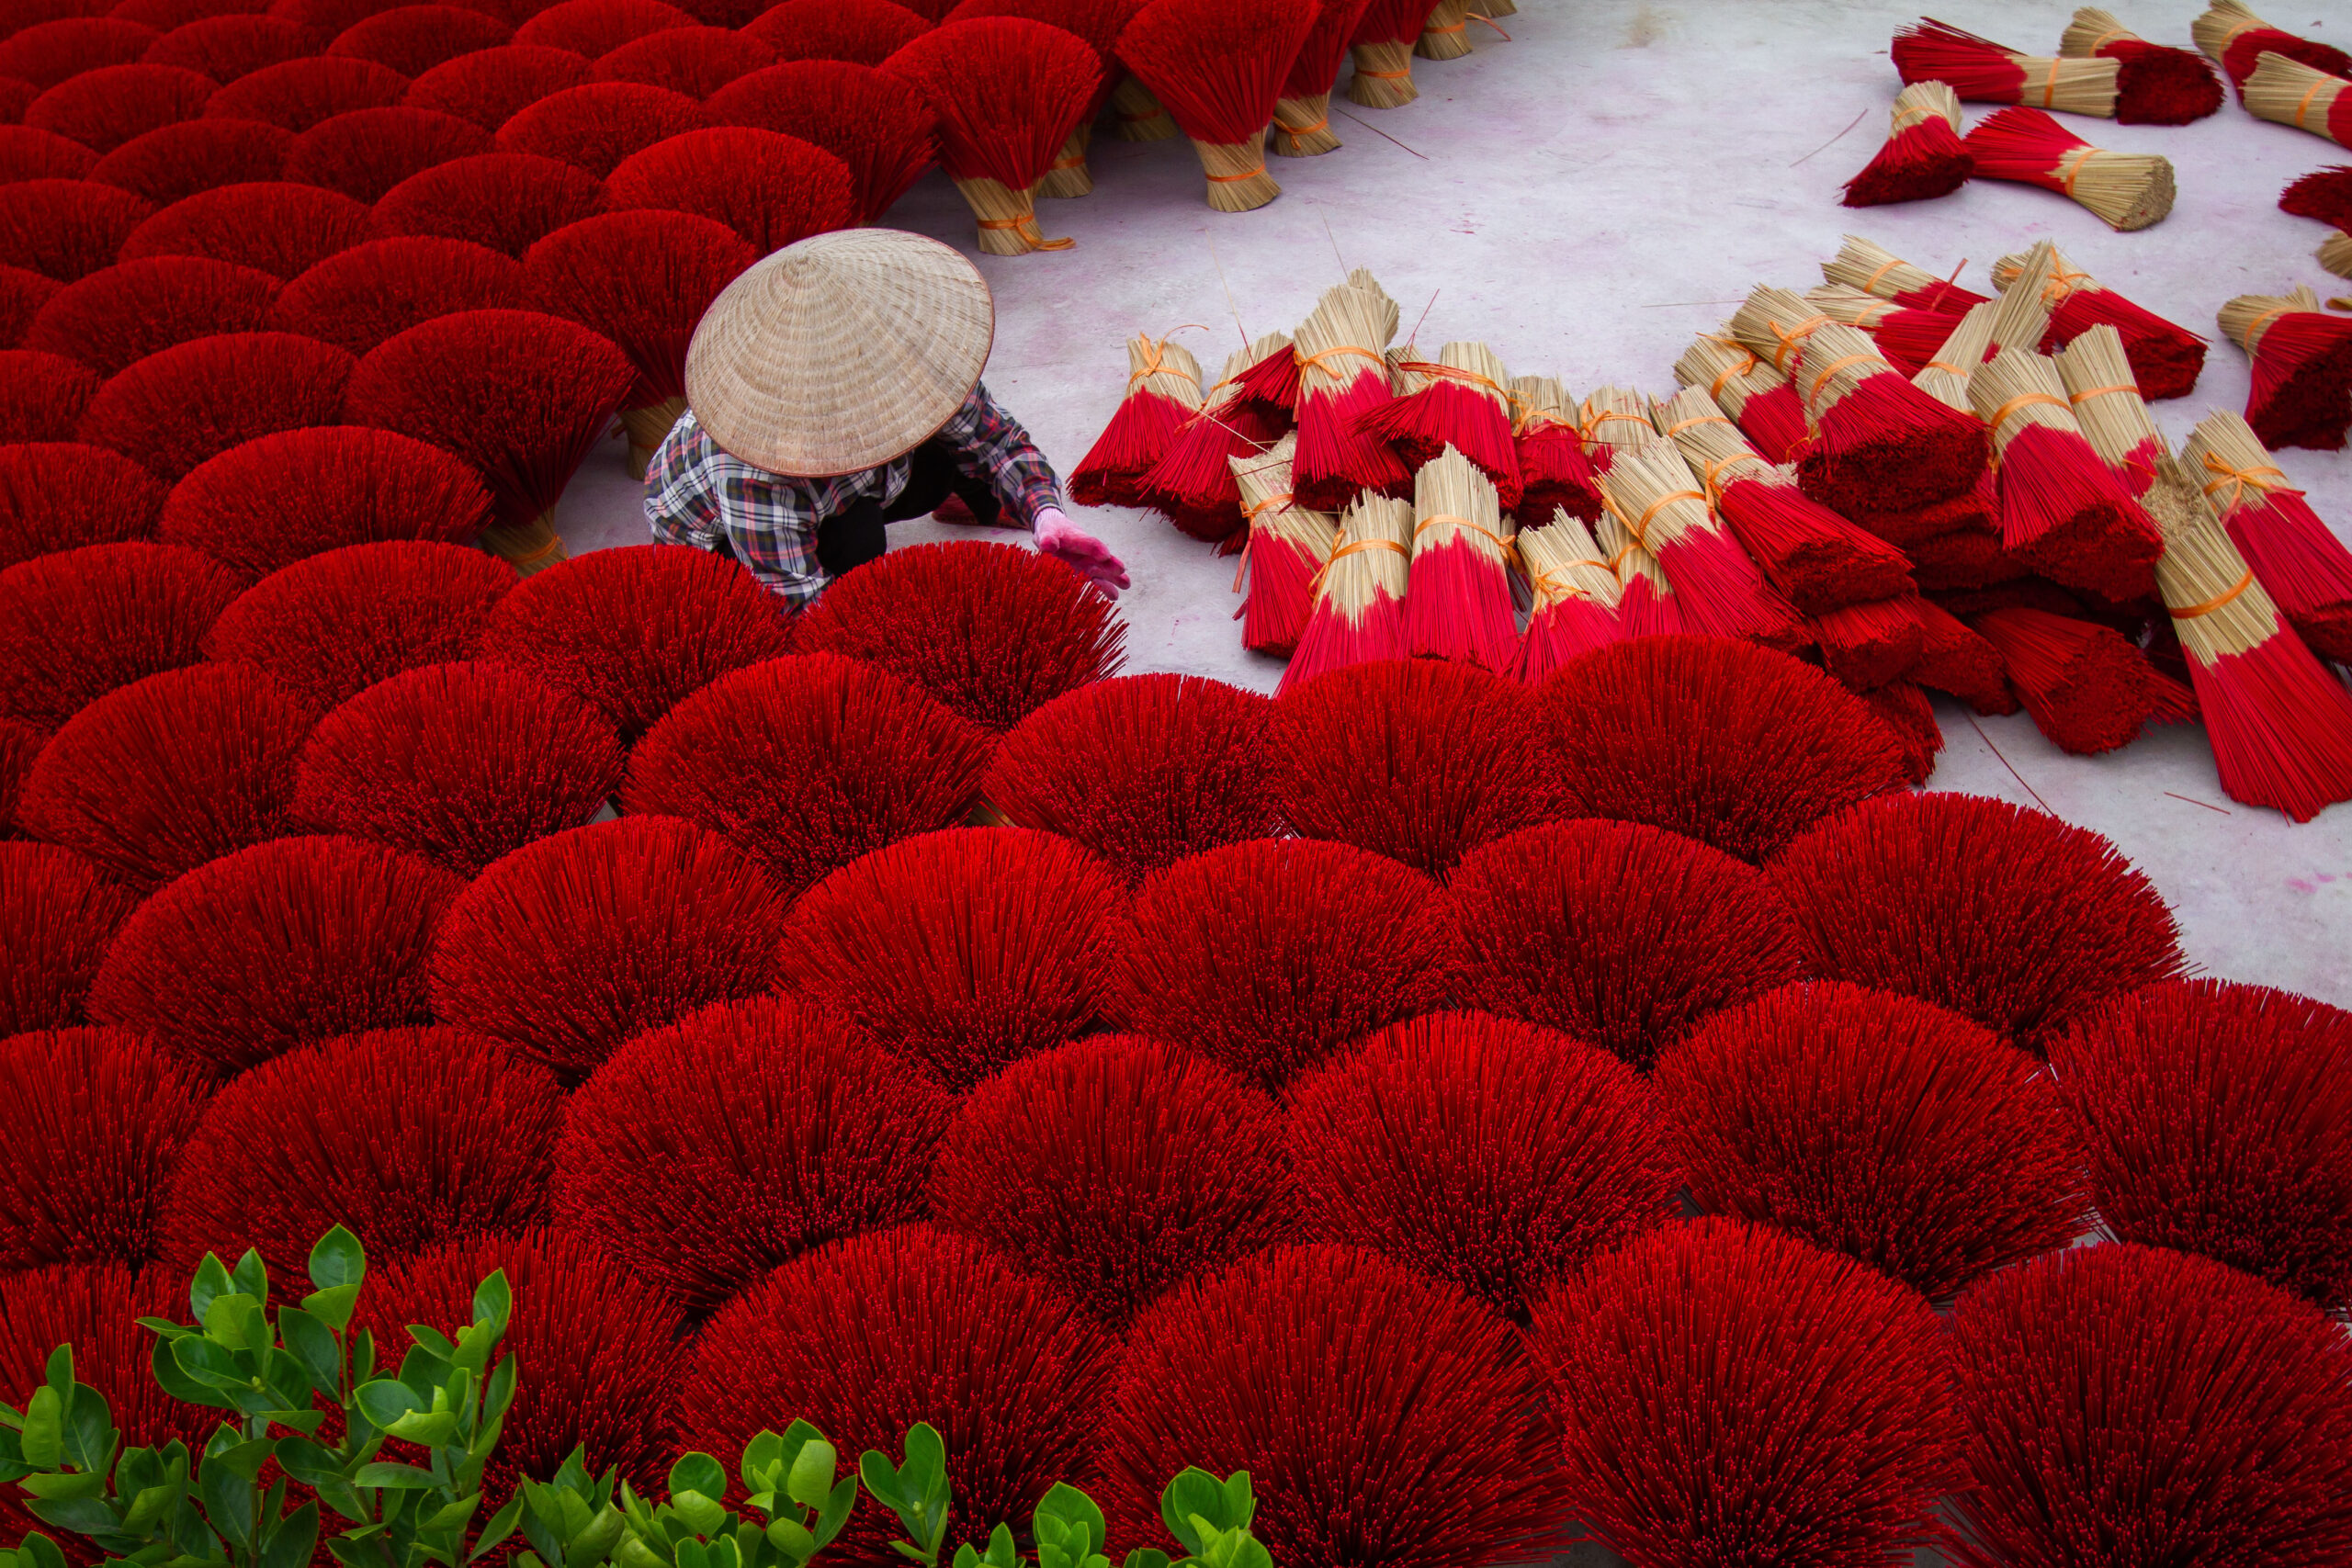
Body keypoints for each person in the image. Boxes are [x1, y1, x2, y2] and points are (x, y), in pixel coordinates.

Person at [645, 227, 1128, 604]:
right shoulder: (751, 469)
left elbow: (997, 443)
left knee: (944, 457)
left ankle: (976, 505)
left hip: (845, 490)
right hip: (727, 545)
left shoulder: (904, 359)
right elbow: (798, 602)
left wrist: (1045, 514)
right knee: (859, 539)